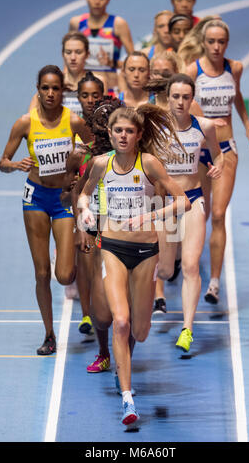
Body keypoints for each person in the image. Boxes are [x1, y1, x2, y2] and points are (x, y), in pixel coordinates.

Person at [77, 104, 191, 426]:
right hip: (111, 247)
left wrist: (150, 216)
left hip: (145, 252)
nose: (123, 136)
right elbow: (84, 195)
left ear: (139, 135)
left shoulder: (150, 164)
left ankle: (123, 364)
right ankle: (128, 400)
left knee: (139, 332)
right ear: (110, 134)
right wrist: (85, 212)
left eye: (129, 131)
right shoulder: (101, 164)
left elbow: (184, 201)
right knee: (121, 321)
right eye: (118, 131)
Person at [0, 65, 92, 355]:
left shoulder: (73, 121)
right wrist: (15, 165)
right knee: (41, 273)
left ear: (63, 90)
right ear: (37, 89)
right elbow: (2, 161)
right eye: (45, 88)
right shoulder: (25, 123)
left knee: (64, 276)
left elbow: (94, 147)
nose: (50, 93)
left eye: (55, 88)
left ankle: (71, 255)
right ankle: (49, 335)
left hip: (63, 198)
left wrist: (79, 167)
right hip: (35, 197)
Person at [186, 19, 249, 304]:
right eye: (211, 42)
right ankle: (188, 264)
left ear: (227, 43)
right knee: (199, 215)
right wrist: (202, 122)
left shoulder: (235, 68)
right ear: (203, 43)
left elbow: (237, 96)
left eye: (221, 42)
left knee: (218, 215)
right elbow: (182, 103)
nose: (217, 47)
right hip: (200, 151)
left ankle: (214, 283)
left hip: (227, 149)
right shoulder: (193, 70)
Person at [156, 73, 223, 350]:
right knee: (165, 269)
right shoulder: (155, 128)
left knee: (192, 265)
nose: (181, 102)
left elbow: (217, 153)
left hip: (193, 199)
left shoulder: (204, 126)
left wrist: (217, 165)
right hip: (164, 205)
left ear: (192, 99)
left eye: (186, 97)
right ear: (167, 98)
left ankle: (187, 329)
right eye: (176, 97)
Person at [60, 74, 105, 333]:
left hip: (112, 211)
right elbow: (68, 187)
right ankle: (87, 315)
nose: (90, 100)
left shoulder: (111, 129)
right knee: (86, 264)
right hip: (84, 212)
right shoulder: (74, 133)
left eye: (95, 95)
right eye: (85, 95)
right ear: (78, 98)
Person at [69, 0, 134, 94]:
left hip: (110, 89)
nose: (97, 2)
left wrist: (111, 63)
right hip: (82, 90)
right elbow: (68, 55)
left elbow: (134, 61)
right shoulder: (76, 23)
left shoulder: (118, 24)